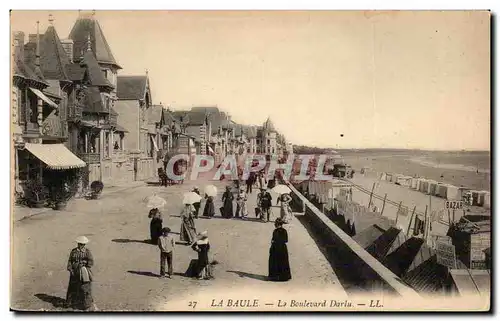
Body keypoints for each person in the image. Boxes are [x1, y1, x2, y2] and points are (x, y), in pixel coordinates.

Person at [66, 236, 95, 311]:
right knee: (73, 287)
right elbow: (70, 261)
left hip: (83, 272)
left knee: (85, 287)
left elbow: (91, 262)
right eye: (80, 244)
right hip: (74, 272)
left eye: (83, 244)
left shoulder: (87, 252)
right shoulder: (73, 251)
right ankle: (72, 303)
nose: (81, 245)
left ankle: (86, 304)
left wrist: (85, 265)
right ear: (78, 243)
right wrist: (70, 269)